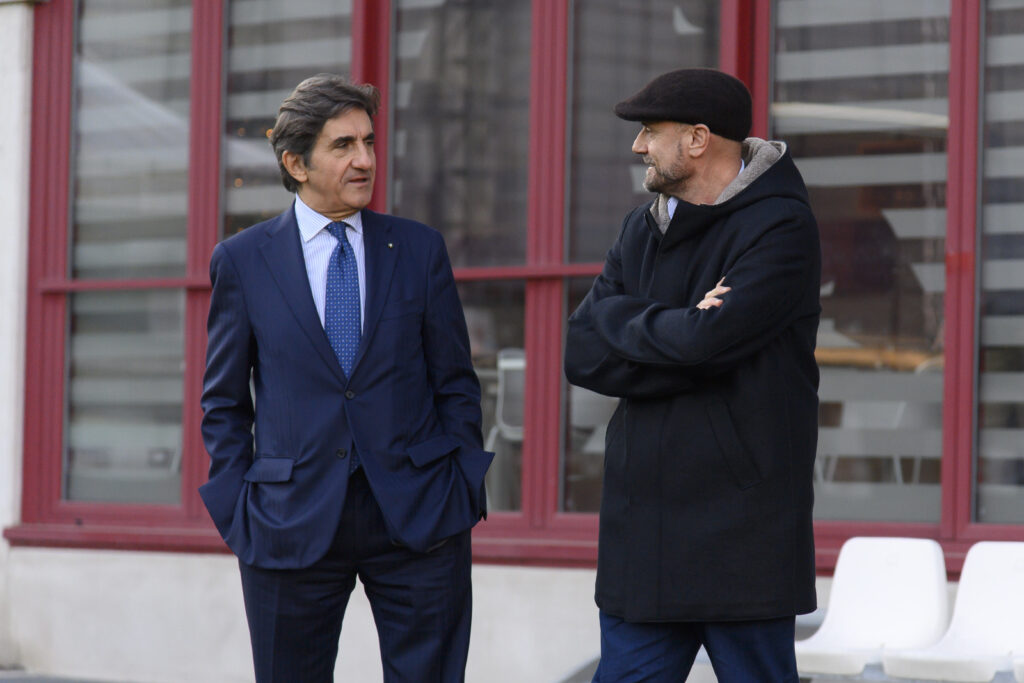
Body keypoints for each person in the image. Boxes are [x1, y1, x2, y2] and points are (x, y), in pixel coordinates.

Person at [199, 73, 492, 683]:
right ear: (295, 162)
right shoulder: (243, 261)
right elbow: (224, 402)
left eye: (369, 142)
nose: (364, 160)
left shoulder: (418, 249)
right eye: (343, 146)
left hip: (418, 515)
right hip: (287, 519)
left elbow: (456, 381)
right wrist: (238, 507)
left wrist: (459, 481)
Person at [565, 68, 821, 682]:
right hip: (641, 541)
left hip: (744, 540)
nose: (638, 145)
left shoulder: (781, 228)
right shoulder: (640, 228)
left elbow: (707, 345)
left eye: (651, 130)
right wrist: (682, 332)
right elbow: (581, 353)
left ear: (699, 139)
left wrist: (628, 322)